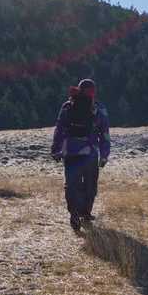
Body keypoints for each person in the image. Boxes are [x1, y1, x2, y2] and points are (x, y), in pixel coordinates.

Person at [50, 77, 110, 232]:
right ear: (94, 92)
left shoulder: (68, 105)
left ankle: (74, 214)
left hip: (70, 152)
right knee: (90, 185)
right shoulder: (99, 108)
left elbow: (59, 128)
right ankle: (86, 213)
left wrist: (56, 149)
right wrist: (104, 155)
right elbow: (104, 133)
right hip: (90, 153)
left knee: (72, 185)